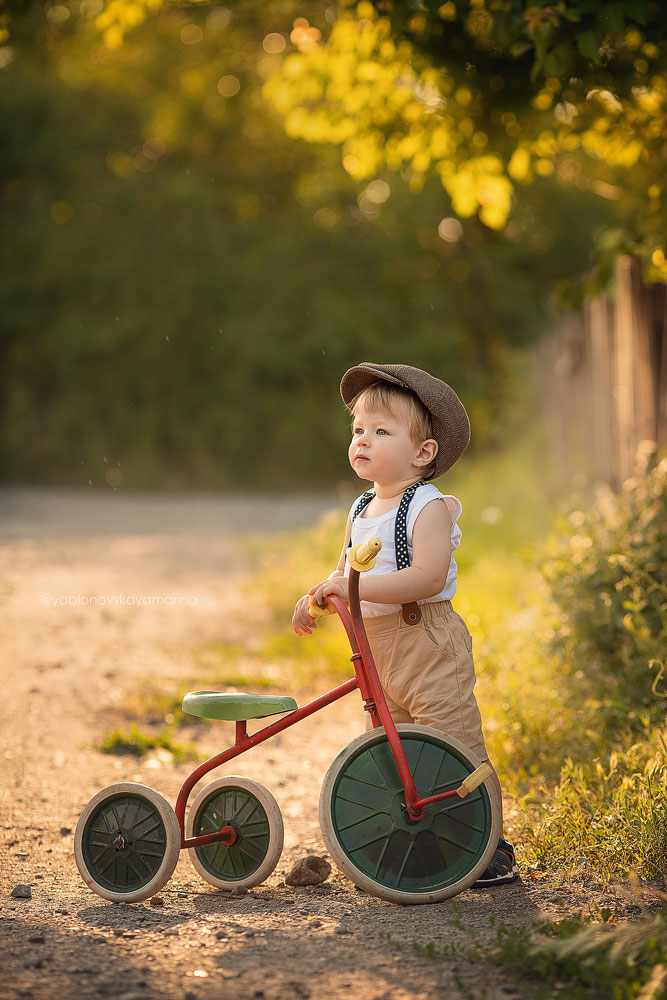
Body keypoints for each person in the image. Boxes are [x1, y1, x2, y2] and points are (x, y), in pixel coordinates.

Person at [292, 362, 516, 887]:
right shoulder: (363, 505)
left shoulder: (428, 506)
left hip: (427, 642)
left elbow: (425, 576)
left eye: (381, 431)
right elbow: (345, 571)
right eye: (358, 430)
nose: (363, 441)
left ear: (423, 453)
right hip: (378, 650)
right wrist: (317, 595)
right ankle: (420, 844)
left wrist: (353, 589)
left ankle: (486, 846)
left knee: (452, 743)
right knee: (393, 753)